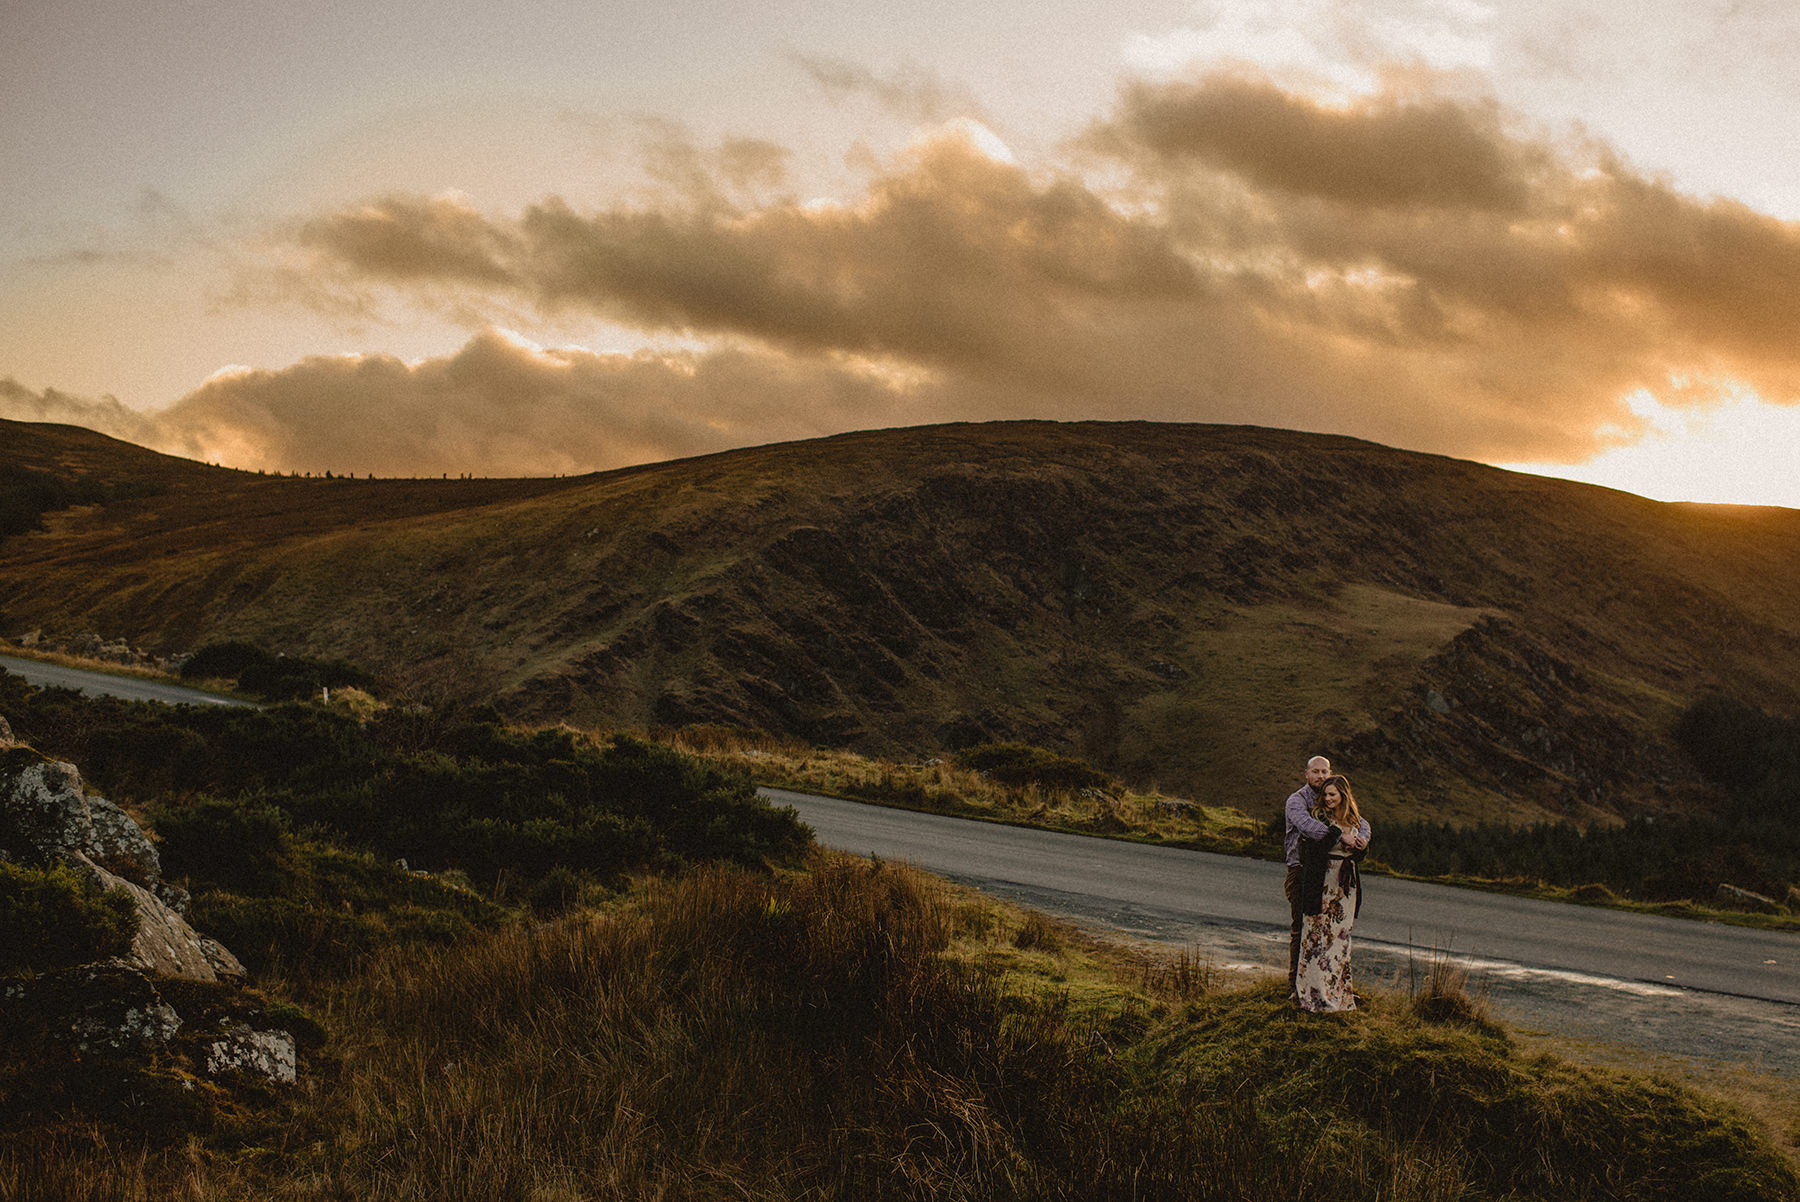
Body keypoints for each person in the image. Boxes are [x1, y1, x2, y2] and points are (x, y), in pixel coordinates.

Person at [1293, 774, 1369, 1012]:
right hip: (1322, 880)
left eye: (1332, 795)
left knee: (1340, 939)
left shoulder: (1357, 821)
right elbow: (1315, 849)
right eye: (1325, 794)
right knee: (1317, 937)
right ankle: (1313, 994)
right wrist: (1337, 834)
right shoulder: (1318, 818)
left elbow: (1359, 857)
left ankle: (1337, 993)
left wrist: (1361, 847)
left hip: (1345, 884)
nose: (1327, 799)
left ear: (1343, 796)